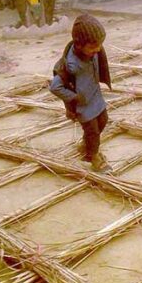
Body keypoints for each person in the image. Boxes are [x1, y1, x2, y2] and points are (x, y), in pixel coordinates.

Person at [50, 14, 112, 172]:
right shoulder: (70, 65)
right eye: (93, 47)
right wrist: (75, 98)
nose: (98, 49)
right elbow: (54, 87)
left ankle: (86, 145)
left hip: (95, 97)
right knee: (92, 131)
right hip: (83, 104)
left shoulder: (94, 51)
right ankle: (94, 157)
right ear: (79, 45)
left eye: (99, 45)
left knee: (103, 120)